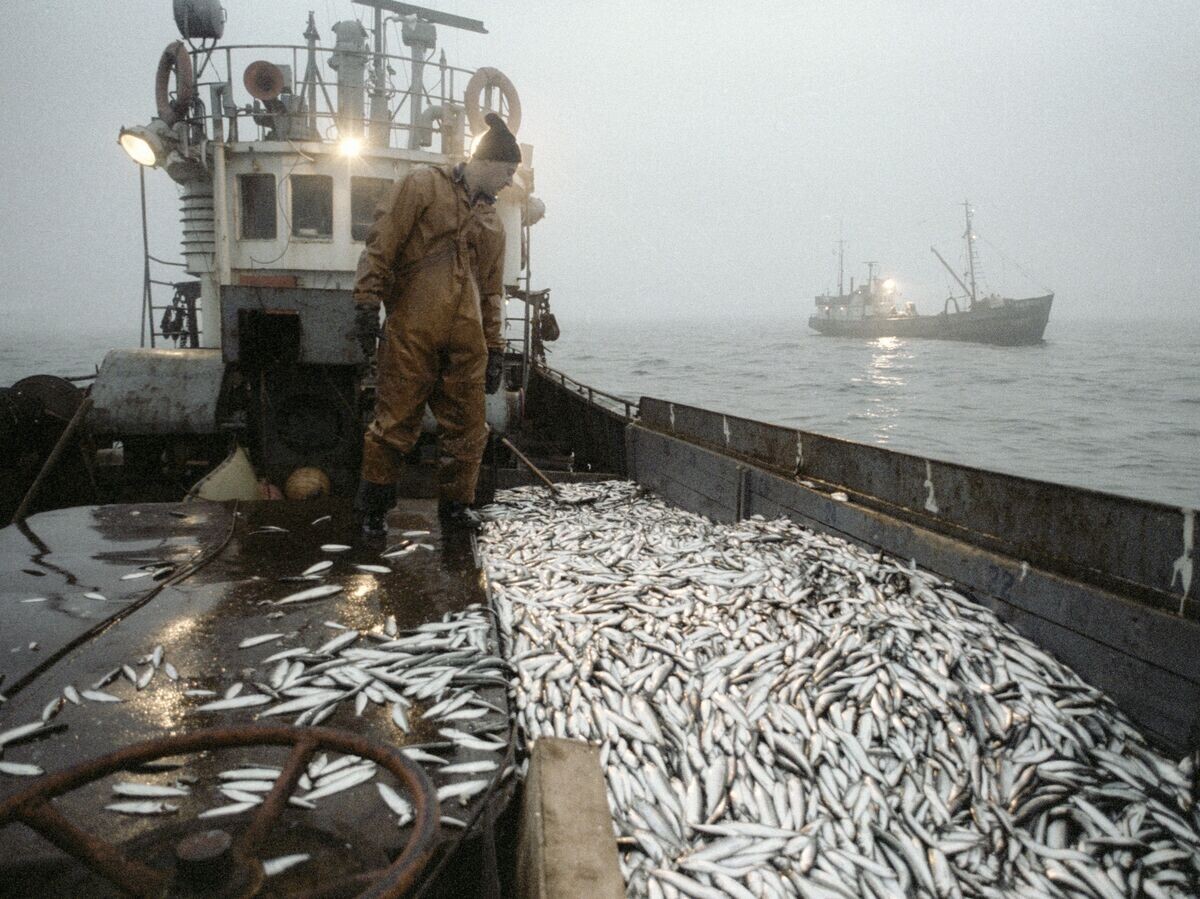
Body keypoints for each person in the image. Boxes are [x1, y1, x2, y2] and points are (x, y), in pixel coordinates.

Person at [351, 112, 519, 536]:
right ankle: (373, 509)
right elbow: (382, 242)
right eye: (508, 171)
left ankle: (456, 509)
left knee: (468, 430)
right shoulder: (422, 185)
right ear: (489, 161)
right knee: (394, 423)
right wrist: (368, 300)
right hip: (413, 330)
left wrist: (494, 346)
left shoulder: (493, 225)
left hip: (467, 342)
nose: (510, 181)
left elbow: (491, 292)